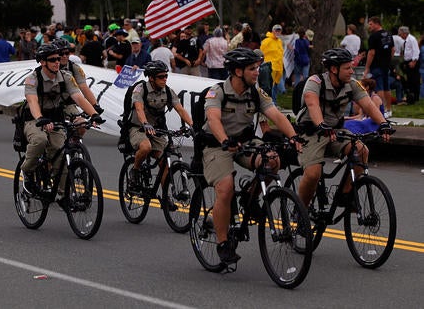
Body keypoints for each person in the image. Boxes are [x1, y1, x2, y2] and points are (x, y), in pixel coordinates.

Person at [200, 48, 300, 265]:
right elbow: (214, 119)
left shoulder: (256, 92)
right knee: (225, 188)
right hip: (217, 145)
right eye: (252, 68)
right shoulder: (217, 92)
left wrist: (294, 137)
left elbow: (275, 115)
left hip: (244, 142)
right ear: (237, 71)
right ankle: (223, 243)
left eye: (257, 68)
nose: (257, 72)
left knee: (273, 160)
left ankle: (250, 196)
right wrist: (225, 140)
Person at [295, 48, 392, 212]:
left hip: (335, 131)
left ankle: (345, 194)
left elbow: (368, 104)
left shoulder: (352, 85)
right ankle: (301, 212)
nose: (352, 71)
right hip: (311, 131)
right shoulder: (315, 82)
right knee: (313, 174)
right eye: (347, 68)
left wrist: (383, 124)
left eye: (351, 67)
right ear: (334, 69)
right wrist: (321, 124)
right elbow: (312, 104)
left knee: (362, 151)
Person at [20, 44, 104, 194]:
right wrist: (41, 118)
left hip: (55, 118)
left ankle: (61, 193)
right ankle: (27, 170)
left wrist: (94, 114)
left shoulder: (66, 76)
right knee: (40, 140)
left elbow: (78, 97)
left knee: (62, 154)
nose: (57, 62)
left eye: (58, 58)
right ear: (42, 62)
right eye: (53, 59)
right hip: (34, 119)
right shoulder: (32, 78)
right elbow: (32, 101)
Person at [127, 60, 193, 206]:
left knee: (165, 162)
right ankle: (135, 171)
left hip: (156, 130)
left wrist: (193, 126)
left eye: (166, 76)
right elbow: (139, 109)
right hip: (138, 128)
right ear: (151, 78)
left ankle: (165, 197)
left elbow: (180, 109)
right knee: (145, 147)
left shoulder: (168, 91)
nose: (165, 79)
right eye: (161, 77)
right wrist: (145, 123)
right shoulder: (140, 89)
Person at [53, 38, 104, 117]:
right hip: (49, 104)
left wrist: (95, 105)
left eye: (67, 53)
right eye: (61, 53)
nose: (64, 56)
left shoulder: (74, 67)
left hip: (66, 103)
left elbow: (83, 87)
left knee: (81, 126)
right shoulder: (47, 68)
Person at [363, 16, 394, 118]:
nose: (369, 26)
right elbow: (393, 49)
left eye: (371, 24)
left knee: (379, 87)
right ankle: (388, 109)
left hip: (377, 65)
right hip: (386, 65)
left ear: (377, 23)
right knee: (387, 87)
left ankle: (380, 110)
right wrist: (389, 60)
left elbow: (371, 53)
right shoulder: (389, 34)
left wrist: (367, 67)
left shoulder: (374, 36)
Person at [260, 24, 285, 105]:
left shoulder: (280, 41)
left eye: (279, 30)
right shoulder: (266, 41)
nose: (278, 32)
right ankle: (271, 103)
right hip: (270, 67)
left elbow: (280, 54)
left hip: (279, 68)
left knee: (275, 87)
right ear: (272, 31)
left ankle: (274, 103)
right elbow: (260, 52)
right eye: (276, 30)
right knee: (272, 86)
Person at [397, 26, 420, 103]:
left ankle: (415, 96)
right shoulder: (406, 41)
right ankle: (410, 95)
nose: (400, 36)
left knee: (414, 79)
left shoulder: (412, 39)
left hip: (412, 61)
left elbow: (416, 50)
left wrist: (414, 61)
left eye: (400, 34)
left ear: (404, 33)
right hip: (407, 61)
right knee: (409, 79)